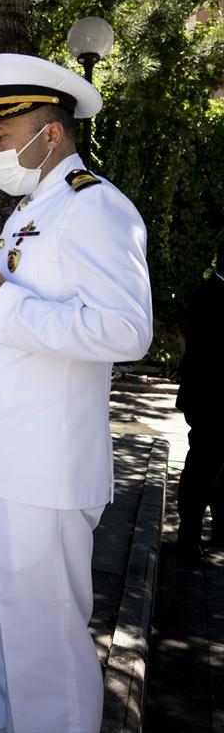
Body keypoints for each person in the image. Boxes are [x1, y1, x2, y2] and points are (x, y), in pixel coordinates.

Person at [0, 53, 153, 733]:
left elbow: (126, 330)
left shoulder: (95, 207)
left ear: (50, 133)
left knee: (44, 646)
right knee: (4, 638)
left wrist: (1, 304)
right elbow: (15, 310)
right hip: (1, 456)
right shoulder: (29, 210)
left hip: (44, 468)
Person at [175, 237, 224, 564]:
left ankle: (215, 530)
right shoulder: (210, 295)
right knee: (203, 466)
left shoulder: (209, 293)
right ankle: (188, 535)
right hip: (211, 399)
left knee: (214, 466)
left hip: (211, 396)